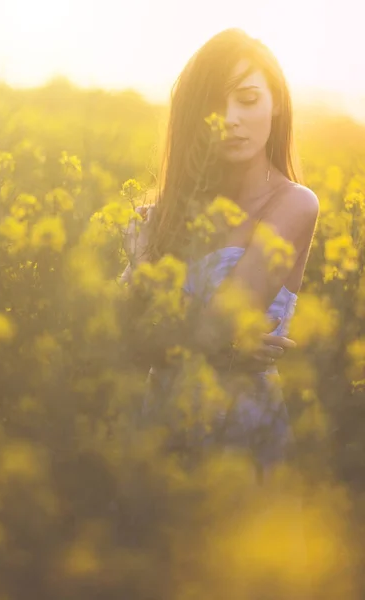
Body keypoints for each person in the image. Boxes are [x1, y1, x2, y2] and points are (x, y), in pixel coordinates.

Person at [121, 28, 319, 475]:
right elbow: (125, 345)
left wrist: (144, 272)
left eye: (247, 99)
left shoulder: (294, 203)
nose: (230, 118)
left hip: (240, 430)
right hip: (159, 427)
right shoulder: (164, 212)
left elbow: (212, 330)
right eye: (213, 104)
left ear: (277, 103)